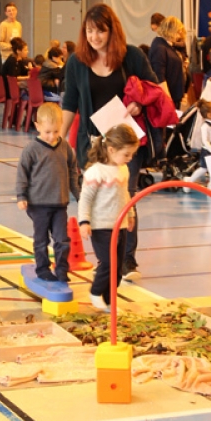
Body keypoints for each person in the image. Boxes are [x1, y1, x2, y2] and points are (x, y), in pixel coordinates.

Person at [61, 3, 158, 282]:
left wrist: (139, 103)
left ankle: (126, 258)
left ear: (112, 30)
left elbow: (153, 89)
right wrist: (59, 138)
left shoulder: (132, 56)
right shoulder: (76, 62)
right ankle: (107, 258)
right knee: (95, 199)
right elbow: (70, 102)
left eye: (100, 31)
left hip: (125, 142)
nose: (94, 37)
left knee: (125, 196)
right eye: (89, 31)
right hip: (92, 144)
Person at [16, 103, 80, 283]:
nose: (52, 136)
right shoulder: (31, 149)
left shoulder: (65, 147)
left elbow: (72, 171)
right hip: (38, 204)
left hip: (60, 203)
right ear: (37, 127)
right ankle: (43, 268)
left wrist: (79, 194)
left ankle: (61, 269)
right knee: (41, 239)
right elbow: (22, 173)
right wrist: (21, 196)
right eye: (47, 132)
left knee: (62, 239)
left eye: (56, 131)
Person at [78, 124, 139, 312]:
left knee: (118, 267)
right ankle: (96, 292)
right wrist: (84, 221)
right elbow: (85, 199)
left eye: (132, 154)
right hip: (101, 226)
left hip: (120, 225)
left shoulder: (123, 169)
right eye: (126, 154)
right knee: (107, 263)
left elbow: (126, 195)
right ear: (111, 150)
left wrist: (130, 214)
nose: (130, 158)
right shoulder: (96, 172)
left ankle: (109, 300)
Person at [150, 15, 187, 108]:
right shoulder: (159, 48)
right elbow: (160, 78)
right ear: (170, 30)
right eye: (178, 32)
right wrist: (168, 102)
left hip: (173, 97)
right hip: (167, 99)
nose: (179, 36)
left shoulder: (165, 45)